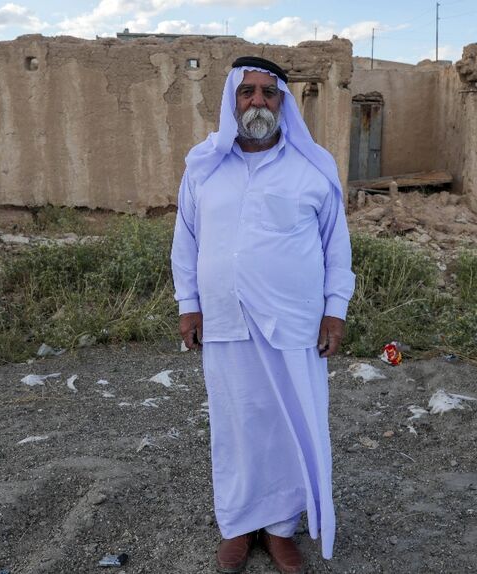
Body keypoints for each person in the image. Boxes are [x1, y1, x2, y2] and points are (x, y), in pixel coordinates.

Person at [170, 55, 355, 574]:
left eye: (268, 94)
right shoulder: (204, 166)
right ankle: (237, 524)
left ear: (283, 103)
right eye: (247, 92)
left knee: (288, 424)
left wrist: (333, 311)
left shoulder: (312, 167)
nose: (257, 102)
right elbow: (185, 239)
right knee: (236, 424)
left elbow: (335, 247)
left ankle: (280, 530)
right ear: (233, 100)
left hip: (293, 322)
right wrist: (190, 304)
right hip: (225, 320)